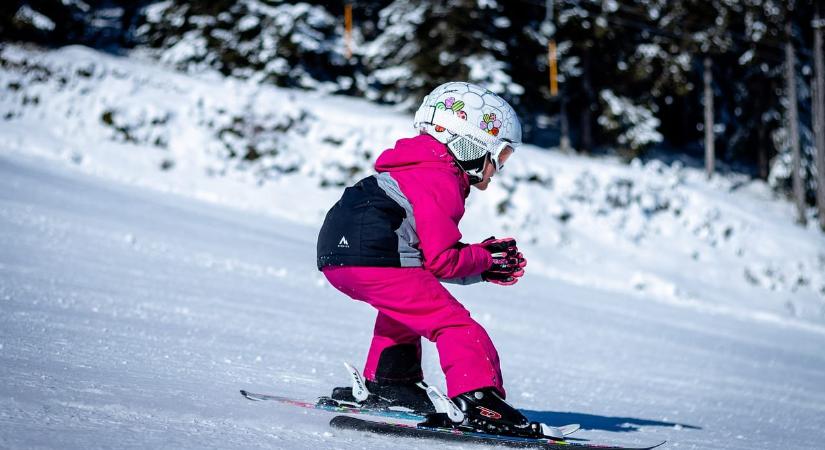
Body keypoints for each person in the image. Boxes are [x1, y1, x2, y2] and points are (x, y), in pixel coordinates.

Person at [316, 82, 542, 437]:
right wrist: (484, 258)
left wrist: (481, 265)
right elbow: (442, 261)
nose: (496, 170)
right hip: (376, 255)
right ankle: (479, 402)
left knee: (405, 309)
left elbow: (426, 258)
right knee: (456, 326)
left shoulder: (410, 169)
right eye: (500, 156)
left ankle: (394, 384)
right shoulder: (440, 178)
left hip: (338, 257)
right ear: (471, 143)